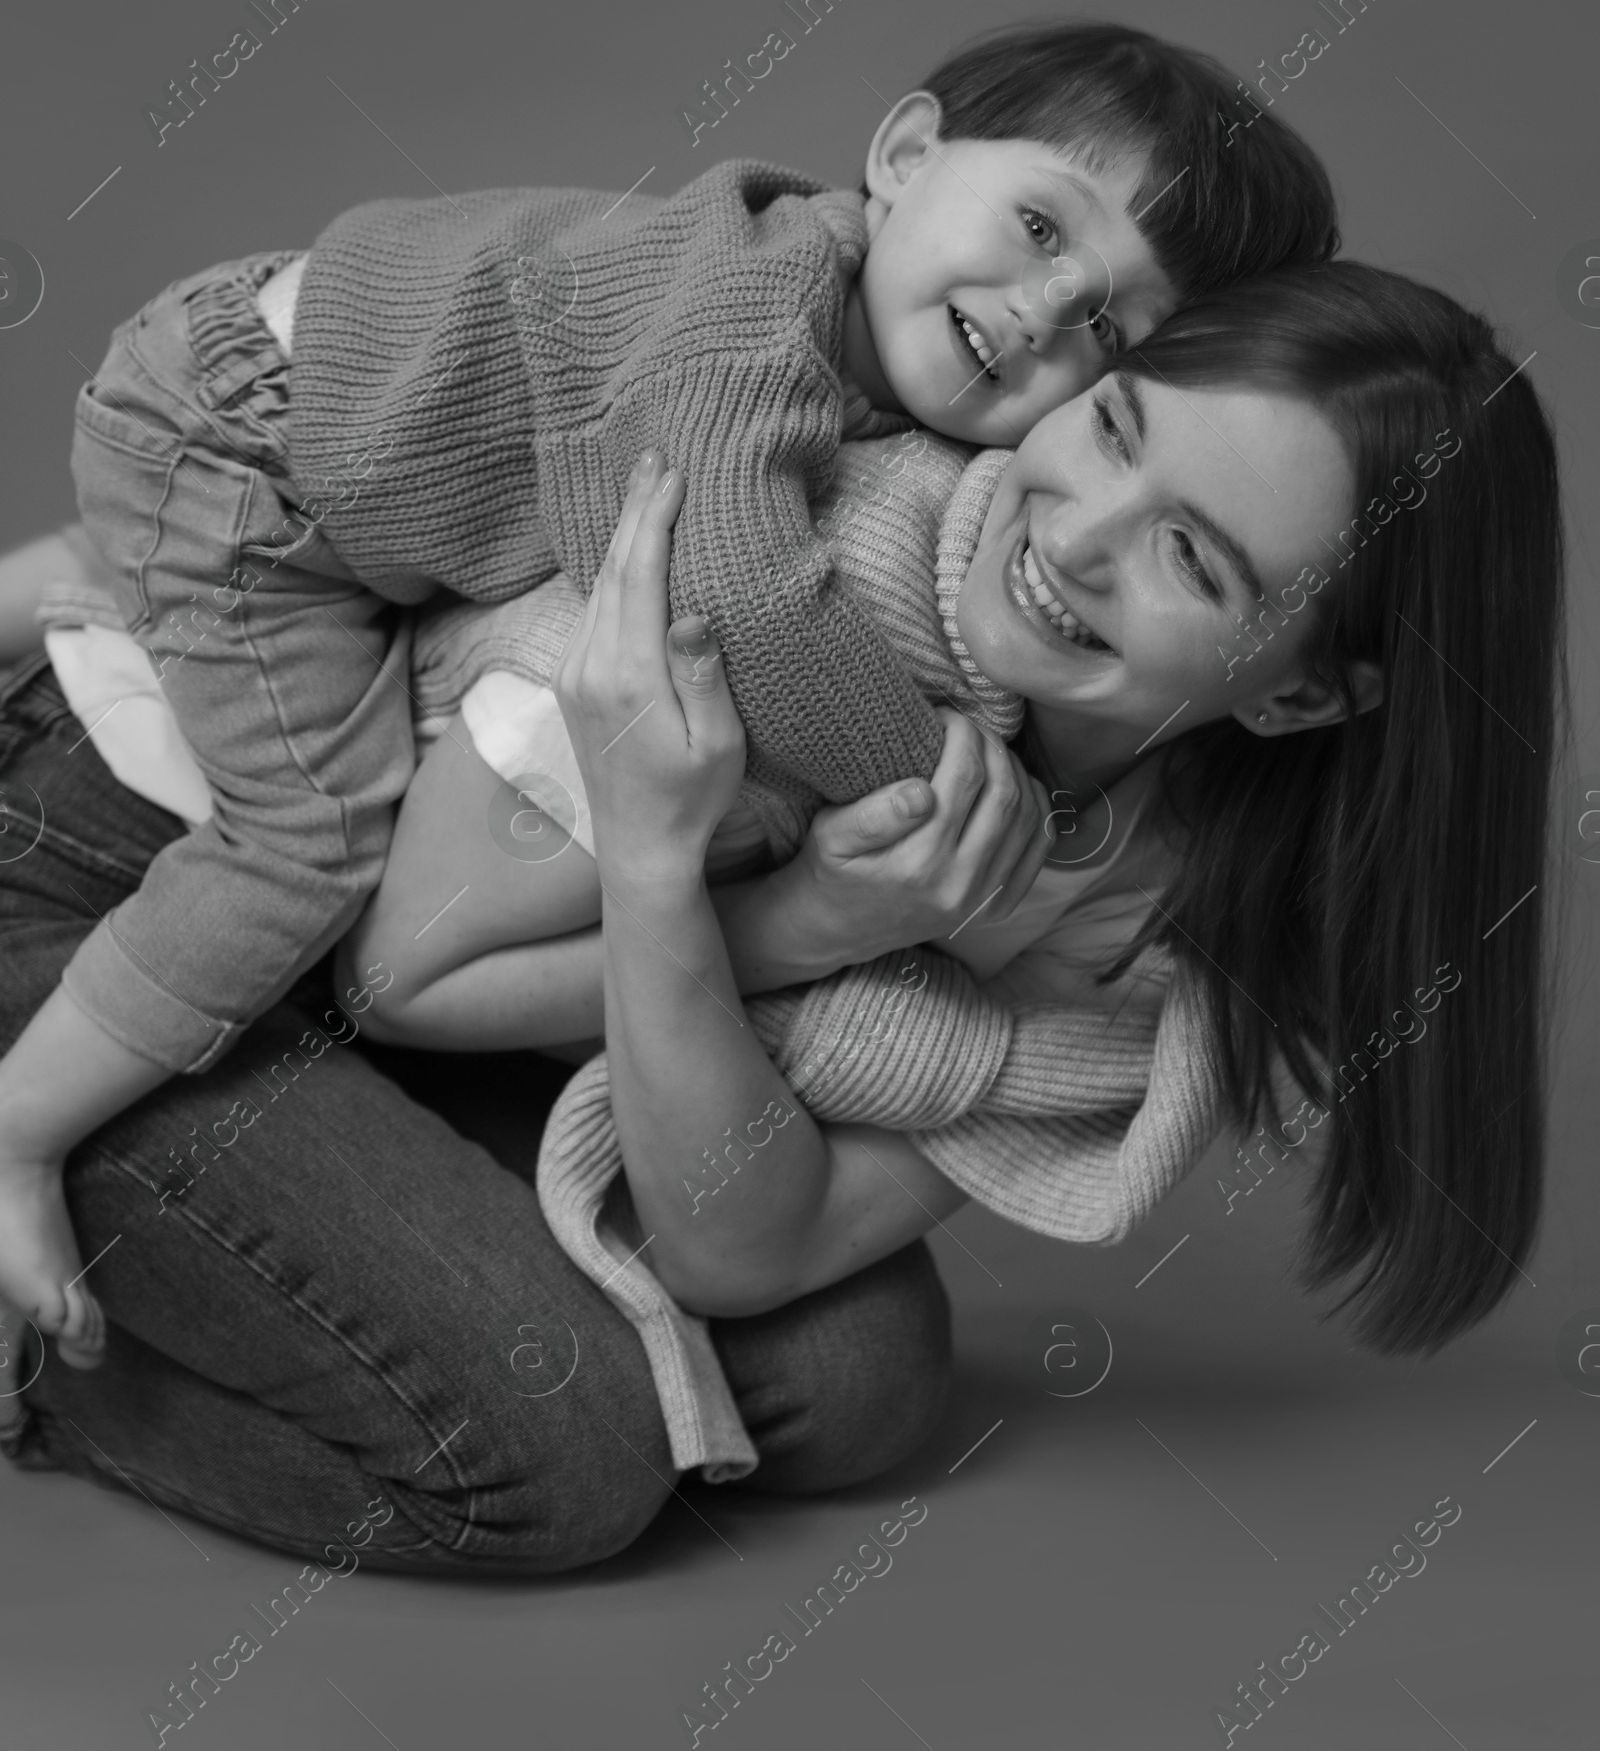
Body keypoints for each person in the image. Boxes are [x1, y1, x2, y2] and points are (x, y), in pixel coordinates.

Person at [0, 262, 1562, 1550]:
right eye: (1114, 425)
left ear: (1302, 699)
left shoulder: (1153, 918)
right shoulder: (804, 572)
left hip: (379, 975)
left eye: (1191, 561)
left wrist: (719, 912)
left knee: (857, 1379)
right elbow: (394, 972)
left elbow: (747, 1249)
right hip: (128, 869)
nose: (1072, 538)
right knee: (563, 1463)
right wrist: (784, 913)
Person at [0, 24, 1338, 1359]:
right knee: (305, 840)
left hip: (321, 454)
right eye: (1043, 228)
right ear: (905, 156)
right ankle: (18, 1133)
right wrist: (923, 780)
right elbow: (745, 594)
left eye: (1106, 322)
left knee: (855, 1371)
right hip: (252, 449)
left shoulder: (874, 380)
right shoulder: (750, 317)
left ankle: (81, 581)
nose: (1047, 310)